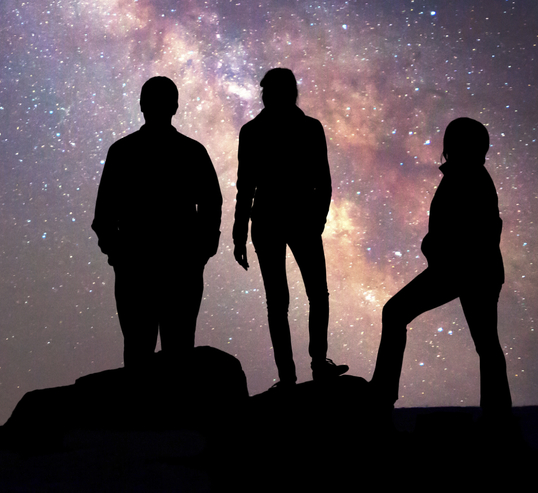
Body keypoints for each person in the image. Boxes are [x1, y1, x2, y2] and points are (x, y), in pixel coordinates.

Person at [368, 116, 511, 421]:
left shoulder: (467, 175)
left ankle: (381, 395)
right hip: (473, 270)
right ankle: (498, 415)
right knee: (486, 343)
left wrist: (437, 249)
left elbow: (478, 230)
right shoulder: (468, 174)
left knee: (395, 313)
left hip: (463, 270)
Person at [91, 75, 224, 368]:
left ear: (141, 105)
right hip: (174, 265)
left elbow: (103, 215)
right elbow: (212, 203)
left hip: (143, 266)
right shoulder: (191, 151)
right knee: (176, 351)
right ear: (175, 107)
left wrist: (117, 253)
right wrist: (202, 250)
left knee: (140, 352)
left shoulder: (123, 151)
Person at [232, 67, 348, 386]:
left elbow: (247, 188)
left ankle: (296, 373)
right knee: (304, 296)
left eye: (270, 91)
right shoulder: (303, 128)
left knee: (290, 299)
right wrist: (316, 220)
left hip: (280, 219)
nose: (267, 96)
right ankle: (305, 368)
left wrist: (240, 234)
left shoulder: (258, 131)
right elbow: (247, 187)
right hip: (289, 219)